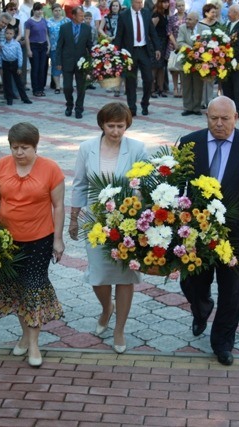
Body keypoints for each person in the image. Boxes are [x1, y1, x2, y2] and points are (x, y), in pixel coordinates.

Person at [179, 96, 239, 366]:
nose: (219, 124)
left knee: (232, 288)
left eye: (225, 119)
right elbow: (178, 185)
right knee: (192, 281)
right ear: (206, 117)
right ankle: (201, 308)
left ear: (236, 118)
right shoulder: (190, 143)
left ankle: (222, 342)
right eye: (213, 118)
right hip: (197, 229)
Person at [0, 122, 65, 368]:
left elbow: (58, 206)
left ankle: (35, 344)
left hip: (40, 239)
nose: (19, 153)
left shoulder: (51, 169)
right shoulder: (1, 167)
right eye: (14, 147)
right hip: (7, 241)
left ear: (35, 146)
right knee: (16, 289)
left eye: (24, 148)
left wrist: (58, 240)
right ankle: (26, 336)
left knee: (33, 289)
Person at [69, 102, 148, 354]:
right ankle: (106, 309)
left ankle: (120, 328)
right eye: (111, 126)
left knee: (125, 276)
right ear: (102, 125)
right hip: (96, 220)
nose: (115, 131)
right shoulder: (87, 148)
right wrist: (73, 218)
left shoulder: (137, 148)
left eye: (120, 126)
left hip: (128, 220)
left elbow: (146, 184)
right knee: (98, 275)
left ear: (127, 125)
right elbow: (80, 184)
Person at [113, 0, 161, 117]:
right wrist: (116, 53)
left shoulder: (146, 13)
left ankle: (145, 104)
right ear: (132, 3)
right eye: (138, 2)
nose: (140, 5)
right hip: (130, 52)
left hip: (144, 50)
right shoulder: (123, 15)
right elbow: (119, 35)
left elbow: (152, 32)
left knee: (149, 79)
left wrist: (157, 48)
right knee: (131, 82)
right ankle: (132, 107)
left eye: (141, 2)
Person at [56, 7, 93, 119]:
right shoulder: (64, 28)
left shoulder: (87, 28)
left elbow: (89, 45)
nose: (83, 18)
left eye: (83, 15)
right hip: (67, 61)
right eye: (81, 15)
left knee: (81, 87)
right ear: (74, 16)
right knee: (67, 87)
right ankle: (69, 105)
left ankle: (79, 108)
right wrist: (58, 61)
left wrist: (95, 57)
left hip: (82, 63)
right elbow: (59, 46)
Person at [220, 4, 239, 117]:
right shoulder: (229, 24)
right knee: (227, 86)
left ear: (236, 14)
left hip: (238, 63)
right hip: (227, 62)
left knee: (237, 87)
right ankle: (228, 109)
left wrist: (225, 52)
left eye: (230, 12)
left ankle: (237, 111)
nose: (228, 14)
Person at [0, 27, 33, 104]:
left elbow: (20, 55)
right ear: (4, 34)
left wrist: (19, 66)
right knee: (7, 82)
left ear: (14, 35)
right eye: (7, 33)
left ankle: (24, 98)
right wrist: (0, 66)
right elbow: (0, 55)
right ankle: (9, 99)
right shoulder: (2, 44)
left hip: (14, 63)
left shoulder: (16, 44)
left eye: (11, 34)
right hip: (6, 64)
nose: (8, 35)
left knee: (19, 82)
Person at [179, 12, 203, 115]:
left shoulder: (204, 29)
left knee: (198, 84)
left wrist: (199, 50)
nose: (187, 21)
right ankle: (188, 107)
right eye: (187, 19)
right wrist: (191, 50)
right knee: (186, 83)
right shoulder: (182, 28)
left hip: (200, 60)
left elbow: (208, 42)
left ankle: (197, 108)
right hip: (186, 59)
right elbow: (179, 42)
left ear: (196, 21)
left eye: (190, 19)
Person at [25, 2, 50, 97]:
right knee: (35, 67)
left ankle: (41, 88)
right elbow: (27, 36)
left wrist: (49, 45)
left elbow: (46, 34)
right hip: (34, 46)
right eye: (37, 10)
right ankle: (35, 89)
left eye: (40, 10)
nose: (39, 12)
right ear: (34, 10)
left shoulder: (44, 21)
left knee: (42, 68)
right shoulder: (29, 22)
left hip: (43, 45)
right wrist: (28, 50)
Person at [47, 3, 69, 94]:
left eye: (59, 10)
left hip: (65, 47)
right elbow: (46, 34)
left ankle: (66, 85)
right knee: (56, 66)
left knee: (66, 67)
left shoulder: (67, 21)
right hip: (54, 47)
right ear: (52, 11)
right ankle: (57, 87)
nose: (58, 12)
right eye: (55, 10)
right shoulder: (48, 21)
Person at [151, 0, 170, 99]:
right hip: (157, 43)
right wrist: (155, 45)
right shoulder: (157, 14)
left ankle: (161, 89)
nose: (166, 4)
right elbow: (151, 29)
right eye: (164, 2)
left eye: (167, 2)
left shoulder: (164, 14)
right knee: (154, 66)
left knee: (162, 67)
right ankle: (152, 89)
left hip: (164, 42)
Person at [167, 0, 186, 98]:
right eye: (179, 6)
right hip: (173, 46)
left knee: (183, 68)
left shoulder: (188, 17)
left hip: (185, 46)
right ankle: (175, 88)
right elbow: (169, 32)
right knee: (174, 69)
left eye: (183, 5)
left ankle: (182, 88)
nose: (181, 7)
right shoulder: (172, 18)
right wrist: (175, 44)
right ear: (176, 7)